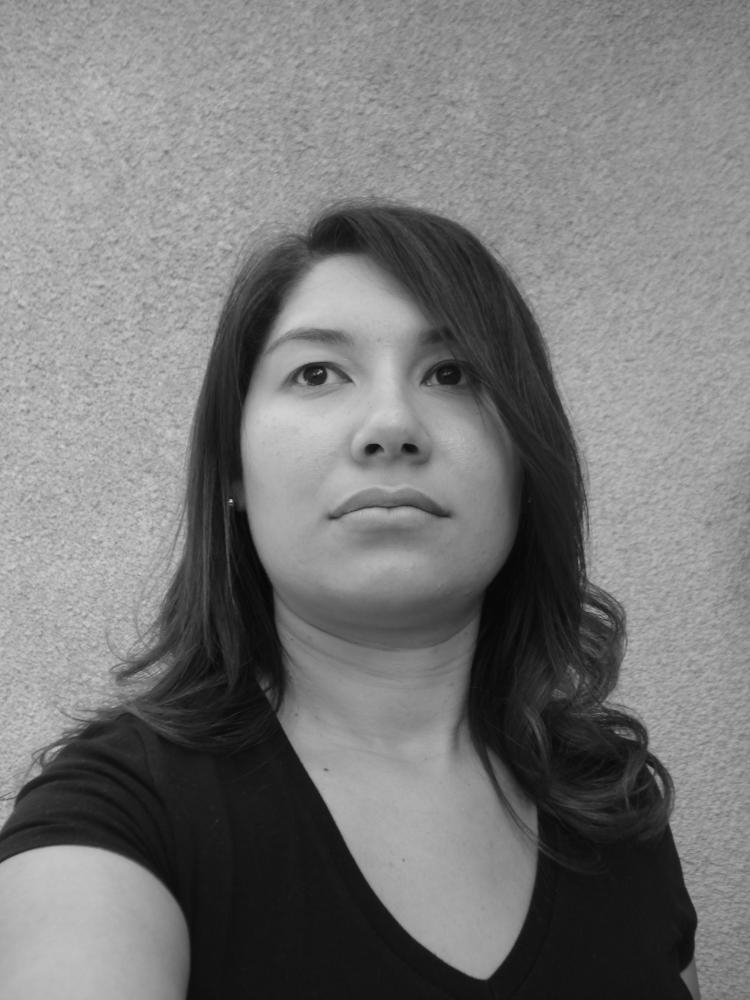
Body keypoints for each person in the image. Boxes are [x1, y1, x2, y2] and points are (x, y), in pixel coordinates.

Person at [0, 200, 699, 999]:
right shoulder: (119, 817)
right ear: (233, 468)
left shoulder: (614, 802)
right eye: (317, 373)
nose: (392, 425)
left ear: (526, 458)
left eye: (452, 373)